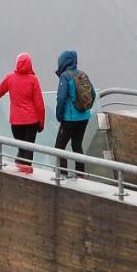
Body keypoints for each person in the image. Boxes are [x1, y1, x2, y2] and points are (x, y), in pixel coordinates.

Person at [0, 52, 44, 174]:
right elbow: (39, 105)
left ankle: (18, 172)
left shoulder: (10, 78)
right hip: (31, 122)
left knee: (21, 148)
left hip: (16, 123)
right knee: (29, 148)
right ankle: (26, 174)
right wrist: (41, 123)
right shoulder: (33, 80)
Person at [54, 49, 93, 178]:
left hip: (69, 119)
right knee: (77, 145)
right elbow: (92, 94)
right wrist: (85, 109)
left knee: (59, 147)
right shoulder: (82, 74)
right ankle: (80, 176)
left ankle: (62, 176)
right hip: (84, 118)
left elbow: (61, 98)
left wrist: (59, 116)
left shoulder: (65, 76)